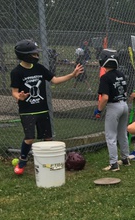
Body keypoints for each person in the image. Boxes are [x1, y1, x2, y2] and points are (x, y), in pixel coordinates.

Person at [10, 39, 84, 175]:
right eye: (33, 54)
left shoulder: (39, 68)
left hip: (43, 109)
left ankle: (46, 164)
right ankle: (22, 162)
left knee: (47, 138)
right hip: (27, 111)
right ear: (25, 55)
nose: (36, 56)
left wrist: (72, 75)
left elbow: (54, 80)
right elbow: (14, 91)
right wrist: (18, 96)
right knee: (29, 137)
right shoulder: (16, 72)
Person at [94, 49, 130, 172]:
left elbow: (104, 97)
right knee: (122, 133)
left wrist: (98, 110)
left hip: (114, 106)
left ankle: (114, 164)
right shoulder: (121, 74)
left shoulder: (105, 77)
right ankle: (125, 158)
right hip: (124, 104)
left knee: (111, 136)